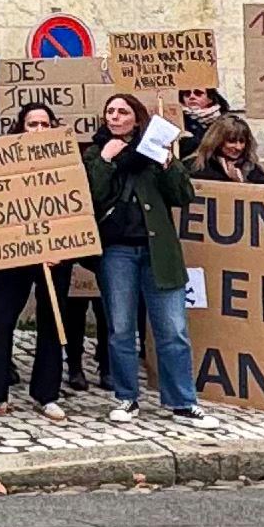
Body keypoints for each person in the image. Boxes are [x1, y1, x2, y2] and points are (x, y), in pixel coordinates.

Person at [85, 93, 200, 420]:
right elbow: (91, 198)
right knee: (121, 328)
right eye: (110, 111)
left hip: (158, 251)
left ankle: (182, 400)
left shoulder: (156, 150)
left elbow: (183, 195)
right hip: (117, 251)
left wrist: (168, 165)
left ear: (137, 119)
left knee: (173, 329)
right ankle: (125, 397)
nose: (115, 117)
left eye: (122, 112)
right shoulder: (96, 151)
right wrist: (105, 161)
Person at [0, 94, 81, 420]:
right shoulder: (3, 159)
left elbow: (76, 207)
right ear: (21, 127)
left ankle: (46, 394)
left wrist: (59, 245)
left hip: (54, 255)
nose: (37, 129)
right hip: (12, 252)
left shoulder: (67, 160)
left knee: (51, 323)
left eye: (44, 124)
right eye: (31, 123)